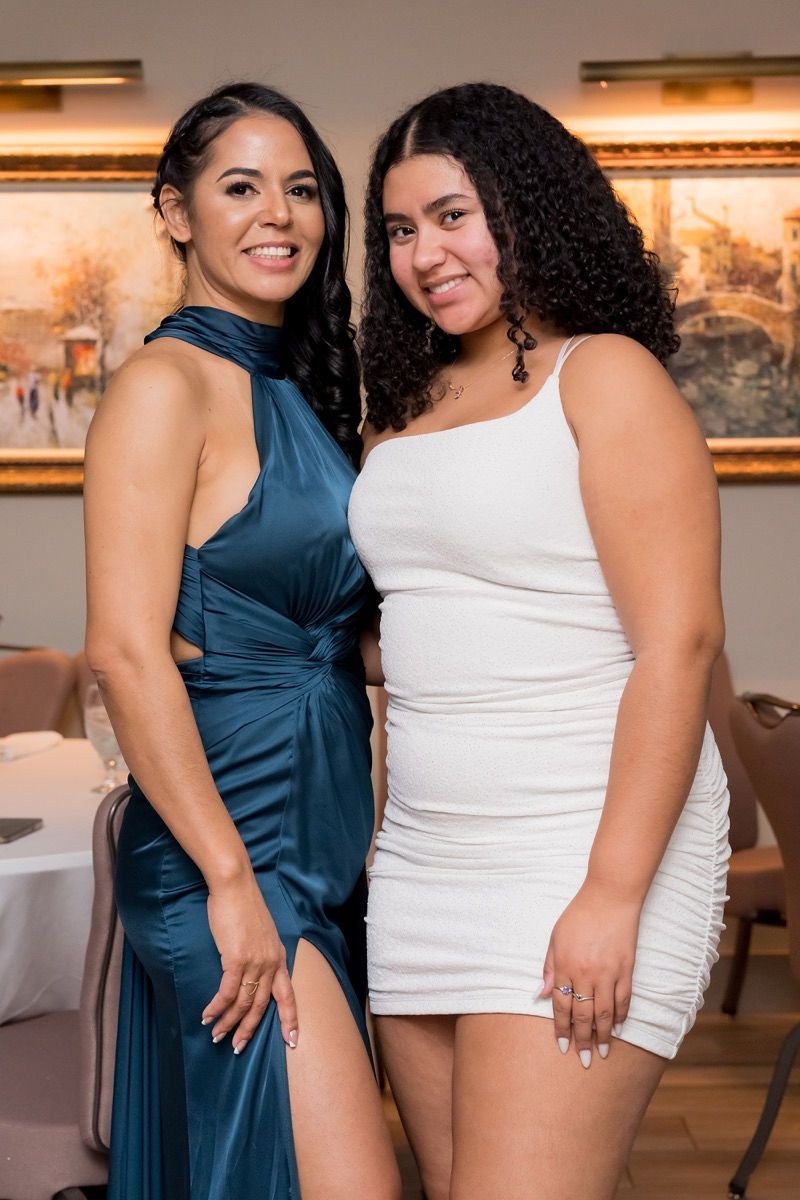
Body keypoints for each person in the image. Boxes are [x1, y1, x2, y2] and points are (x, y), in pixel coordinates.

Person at [348, 82, 730, 1200]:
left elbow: (678, 645)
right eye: (400, 230)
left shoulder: (602, 376)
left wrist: (609, 894)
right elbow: (430, 623)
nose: (424, 254)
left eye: (452, 215)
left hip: (581, 848)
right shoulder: (405, 403)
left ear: (525, 210)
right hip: (421, 859)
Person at [84, 82, 400, 1200]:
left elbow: (330, 630)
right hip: (232, 849)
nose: (280, 214)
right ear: (174, 212)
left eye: (302, 189)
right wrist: (228, 881)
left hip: (313, 841)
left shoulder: (297, 388)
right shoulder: (165, 386)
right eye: (240, 187)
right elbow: (124, 652)